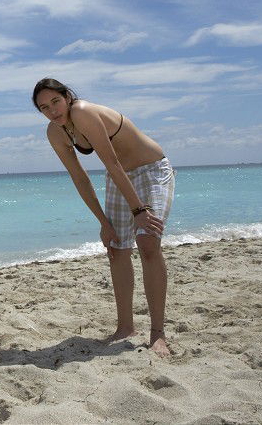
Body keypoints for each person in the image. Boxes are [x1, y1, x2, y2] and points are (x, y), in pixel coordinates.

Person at [32, 78, 174, 357]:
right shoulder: (55, 133)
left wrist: (139, 210)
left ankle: (158, 333)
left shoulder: (84, 112)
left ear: (68, 96)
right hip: (119, 179)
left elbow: (112, 161)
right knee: (116, 248)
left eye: (55, 102)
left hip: (151, 171)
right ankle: (125, 328)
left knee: (148, 244)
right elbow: (80, 178)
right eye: (44, 108)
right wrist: (103, 222)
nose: (52, 111)